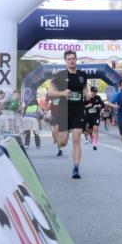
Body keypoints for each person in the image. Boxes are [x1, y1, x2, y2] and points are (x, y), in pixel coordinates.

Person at [51, 50, 89, 178]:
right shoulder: (60, 75)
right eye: (69, 59)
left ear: (76, 59)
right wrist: (61, 93)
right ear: (66, 61)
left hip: (78, 110)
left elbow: (85, 87)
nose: (72, 61)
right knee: (62, 143)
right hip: (64, 111)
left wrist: (87, 93)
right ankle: (55, 132)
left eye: (73, 58)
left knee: (77, 138)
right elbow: (50, 92)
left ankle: (76, 168)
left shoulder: (82, 75)